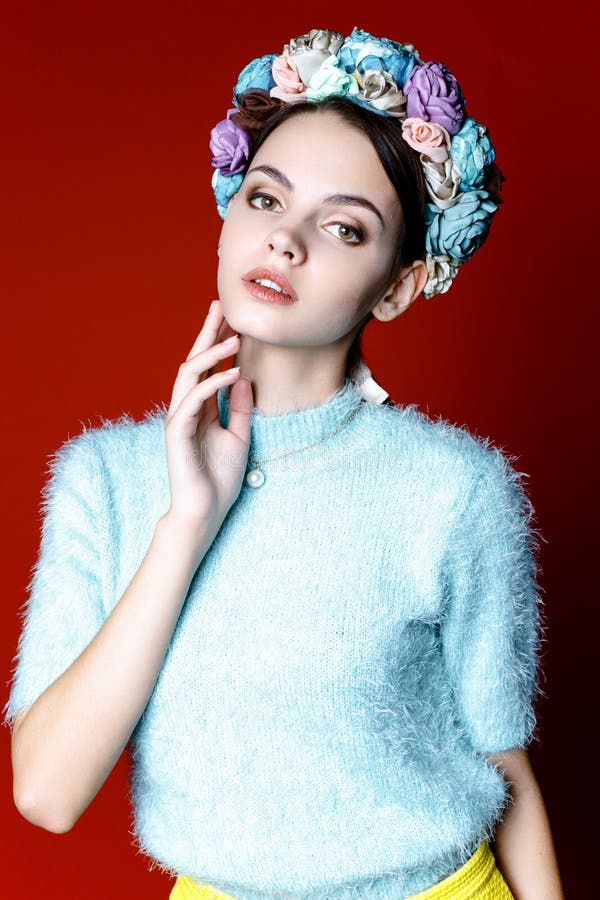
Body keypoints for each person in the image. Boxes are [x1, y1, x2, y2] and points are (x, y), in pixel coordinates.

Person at [4, 26, 564, 900]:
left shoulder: (456, 490)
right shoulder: (104, 480)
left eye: (344, 226)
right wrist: (187, 524)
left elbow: (507, 770)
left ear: (399, 285)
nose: (288, 241)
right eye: (266, 199)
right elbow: (46, 794)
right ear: (229, 212)